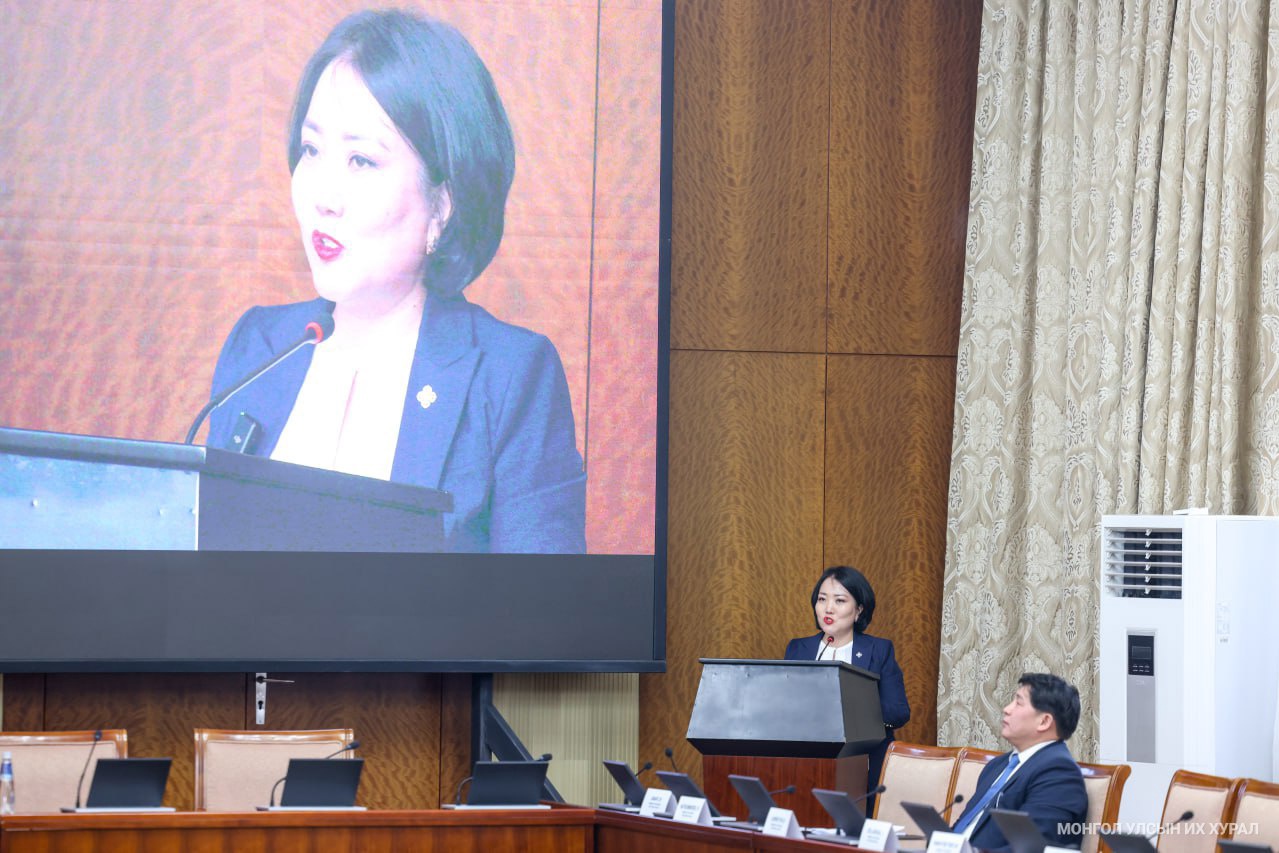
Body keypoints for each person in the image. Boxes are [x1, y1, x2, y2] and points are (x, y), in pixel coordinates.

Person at [205, 10, 586, 554]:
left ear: (442, 206)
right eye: (311, 150)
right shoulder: (259, 349)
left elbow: (545, 602)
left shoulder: (508, 379)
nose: (323, 197)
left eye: (361, 160)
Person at [785, 566, 910, 797]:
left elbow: (898, 712)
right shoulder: (798, 648)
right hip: (807, 763)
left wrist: (852, 703)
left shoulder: (879, 650)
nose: (828, 608)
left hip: (864, 764)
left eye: (840, 601)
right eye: (822, 599)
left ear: (858, 610)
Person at [950, 673, 1089, 852]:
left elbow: (1033, 847)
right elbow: (967, 826)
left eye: (1018, 703)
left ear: (1044, 721)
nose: (1007, 709)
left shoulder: (1059, 773)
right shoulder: (997, 765)